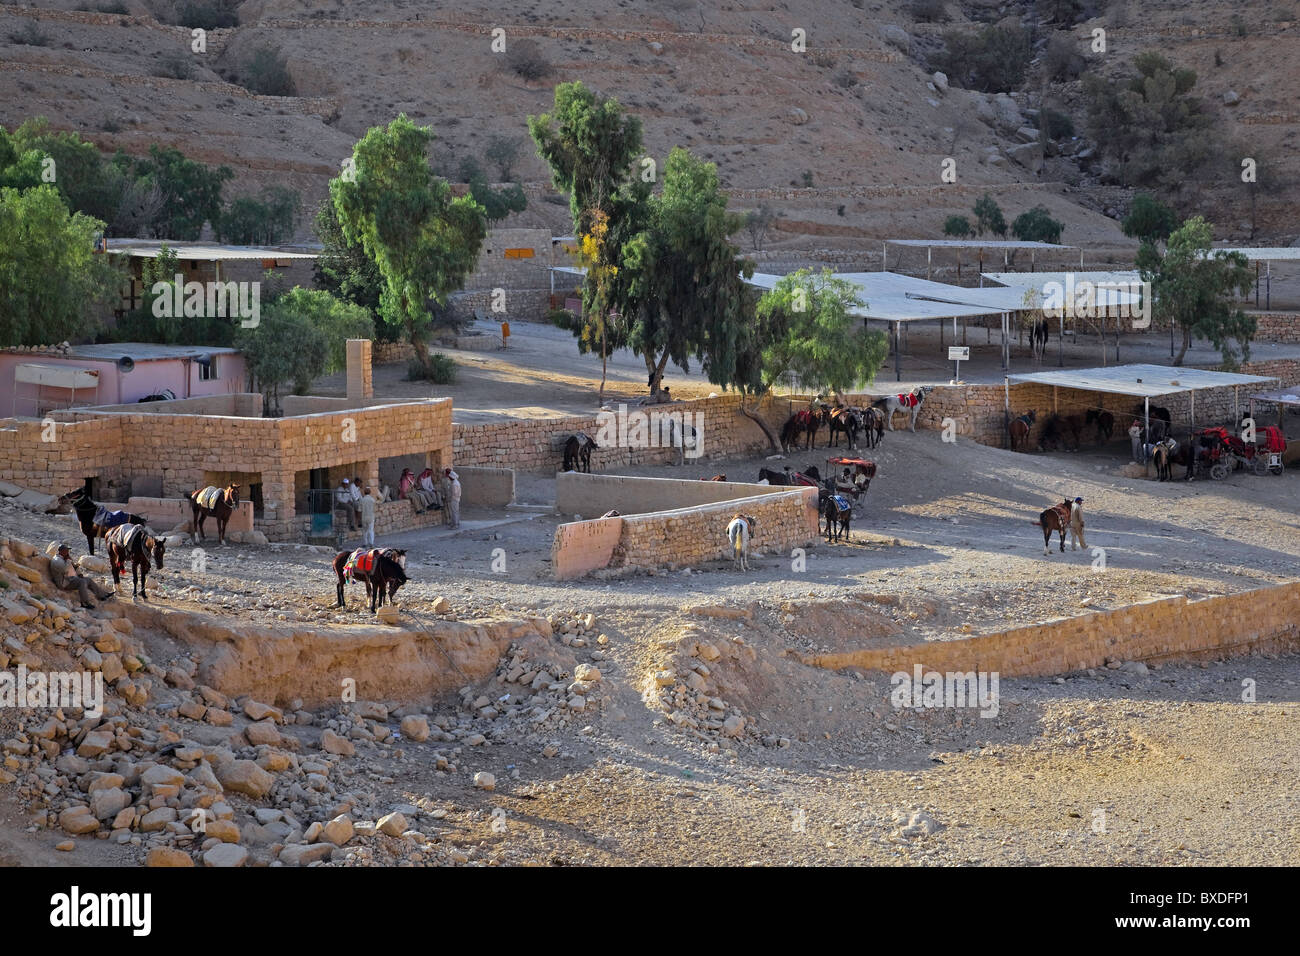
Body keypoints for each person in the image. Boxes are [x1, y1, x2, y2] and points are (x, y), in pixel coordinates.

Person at [48, 543, 115, 609]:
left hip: (67, 579)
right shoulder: (57, 560)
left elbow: (74, 566)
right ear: (61, 551)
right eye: (66, 550)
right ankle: (85, 603)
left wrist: (79, 573)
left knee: (88, 580)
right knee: (81, 582)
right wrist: (68, 560)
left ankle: (102, 595)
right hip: (63, 583)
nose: (68, 552)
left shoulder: (63, 558)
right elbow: (65, 570)